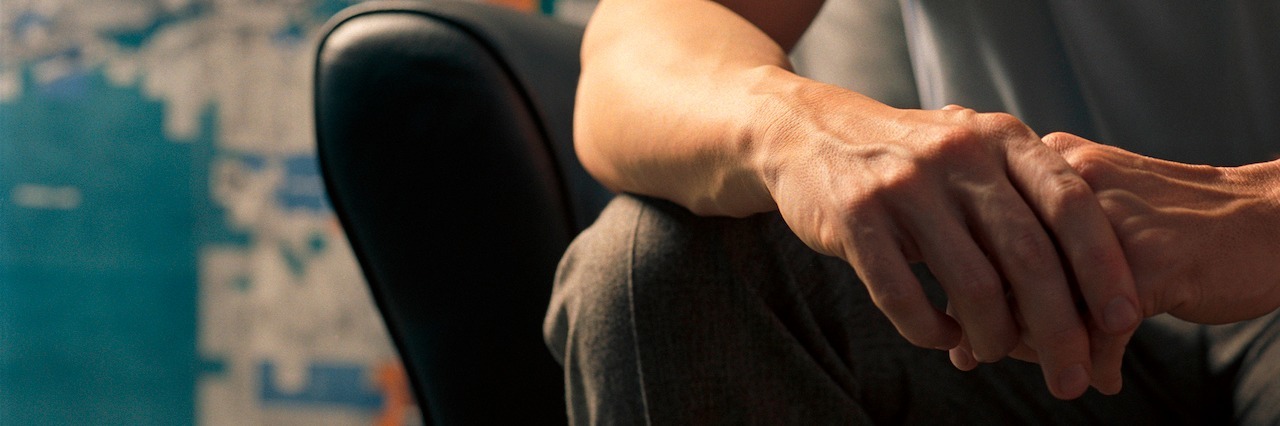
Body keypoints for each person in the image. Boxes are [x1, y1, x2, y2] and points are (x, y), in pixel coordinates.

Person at [543, 0, 1280, 423]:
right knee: (657, 268)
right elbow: (641, 51)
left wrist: (1256, 214)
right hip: (1015, 301)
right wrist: (802, 131)